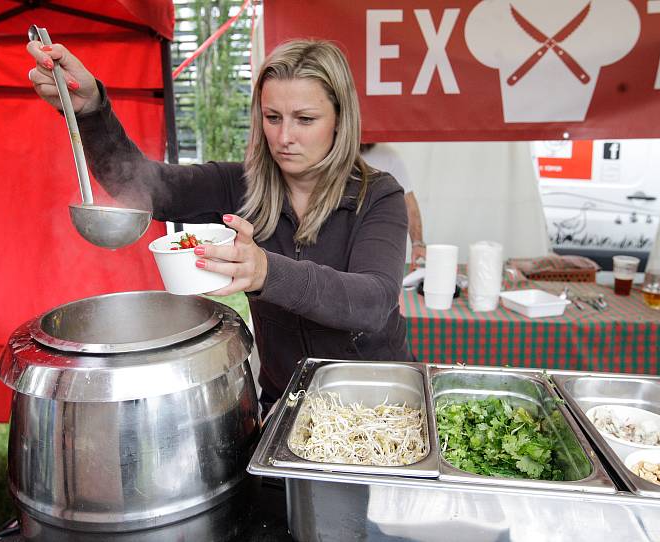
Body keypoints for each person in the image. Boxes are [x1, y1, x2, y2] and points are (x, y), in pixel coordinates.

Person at [27, 39, 414, 413]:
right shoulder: (238, 184)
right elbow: (144, 187)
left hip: (376, 406)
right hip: (287, 406)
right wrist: (90, 109)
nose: (284, 138)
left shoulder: (377, 196)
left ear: (340, 120)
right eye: (272, 117)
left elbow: (372, 302)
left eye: (306, 119)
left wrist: (266, 270)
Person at [360, 143, 426, 268]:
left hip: (376, 245)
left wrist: (418, 243)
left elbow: (409, 204)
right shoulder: (328, 152)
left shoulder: (388, 155)